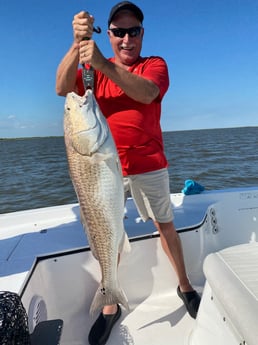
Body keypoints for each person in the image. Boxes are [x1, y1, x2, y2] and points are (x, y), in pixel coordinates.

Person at [56, 1, 201, 344]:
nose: (126, 39)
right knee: (107, 230)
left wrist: (102, 63)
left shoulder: (153, 65)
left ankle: (184, 285)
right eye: (118, 32)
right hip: (106, 169)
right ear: (108, 34)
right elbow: (63, 88)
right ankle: (110, 301)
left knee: (165, 225)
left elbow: (148, 93)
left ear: (142, 34)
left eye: (132, 31)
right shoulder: (91, 74)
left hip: (149, 164)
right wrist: (77, 44)